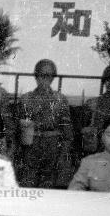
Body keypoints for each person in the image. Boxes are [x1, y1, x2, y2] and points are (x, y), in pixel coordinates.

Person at [15, 59, 73, 188]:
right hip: (31, 147)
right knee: (28, 183)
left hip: (52, 147)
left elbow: (67, 132)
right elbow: (18, 130)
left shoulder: (60, 99)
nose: (45, 79)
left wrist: (63, 154)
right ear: (36, 76)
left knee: (49, 184)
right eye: (42, 75)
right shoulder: (26, 99)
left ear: (53, 77)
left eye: (49, 76)